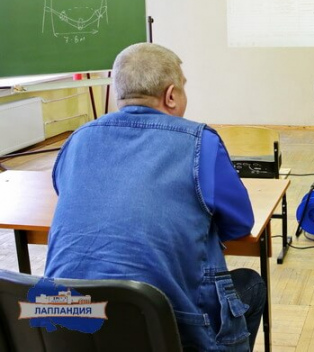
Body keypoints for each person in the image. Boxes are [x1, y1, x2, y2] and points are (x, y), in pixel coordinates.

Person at [45, 43, 266, 352]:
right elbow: (241, 223)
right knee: (251, 286)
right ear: (171, 95)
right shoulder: (200, 142)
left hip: (68, 330)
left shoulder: (77, 140)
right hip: (165, 328)